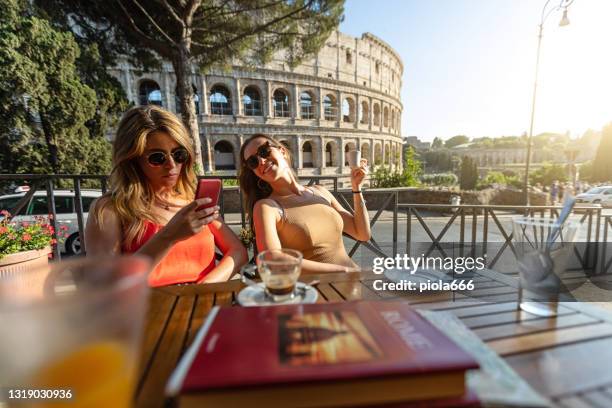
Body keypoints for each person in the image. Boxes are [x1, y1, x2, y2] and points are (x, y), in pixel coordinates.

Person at [85, 106, 247, 287]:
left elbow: (238, 252)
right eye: (157, 158)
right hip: (152, 311)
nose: (172, 165)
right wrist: (168, 237)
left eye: (179, 154)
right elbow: (104, 285)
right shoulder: (111, 209)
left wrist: (203, 286)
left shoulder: (192, 200)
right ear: (132, 160)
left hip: (204, 305)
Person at [238, 134, 371, 273]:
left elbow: (362, 233)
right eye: (253, 162)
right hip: (319, 291)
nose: (261, 161)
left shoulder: (320, 191)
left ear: (281, 150)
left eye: (264, 151)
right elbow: (271, 260)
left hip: (354, 280)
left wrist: (356, 188)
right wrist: (343, 271)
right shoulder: (266, 207)